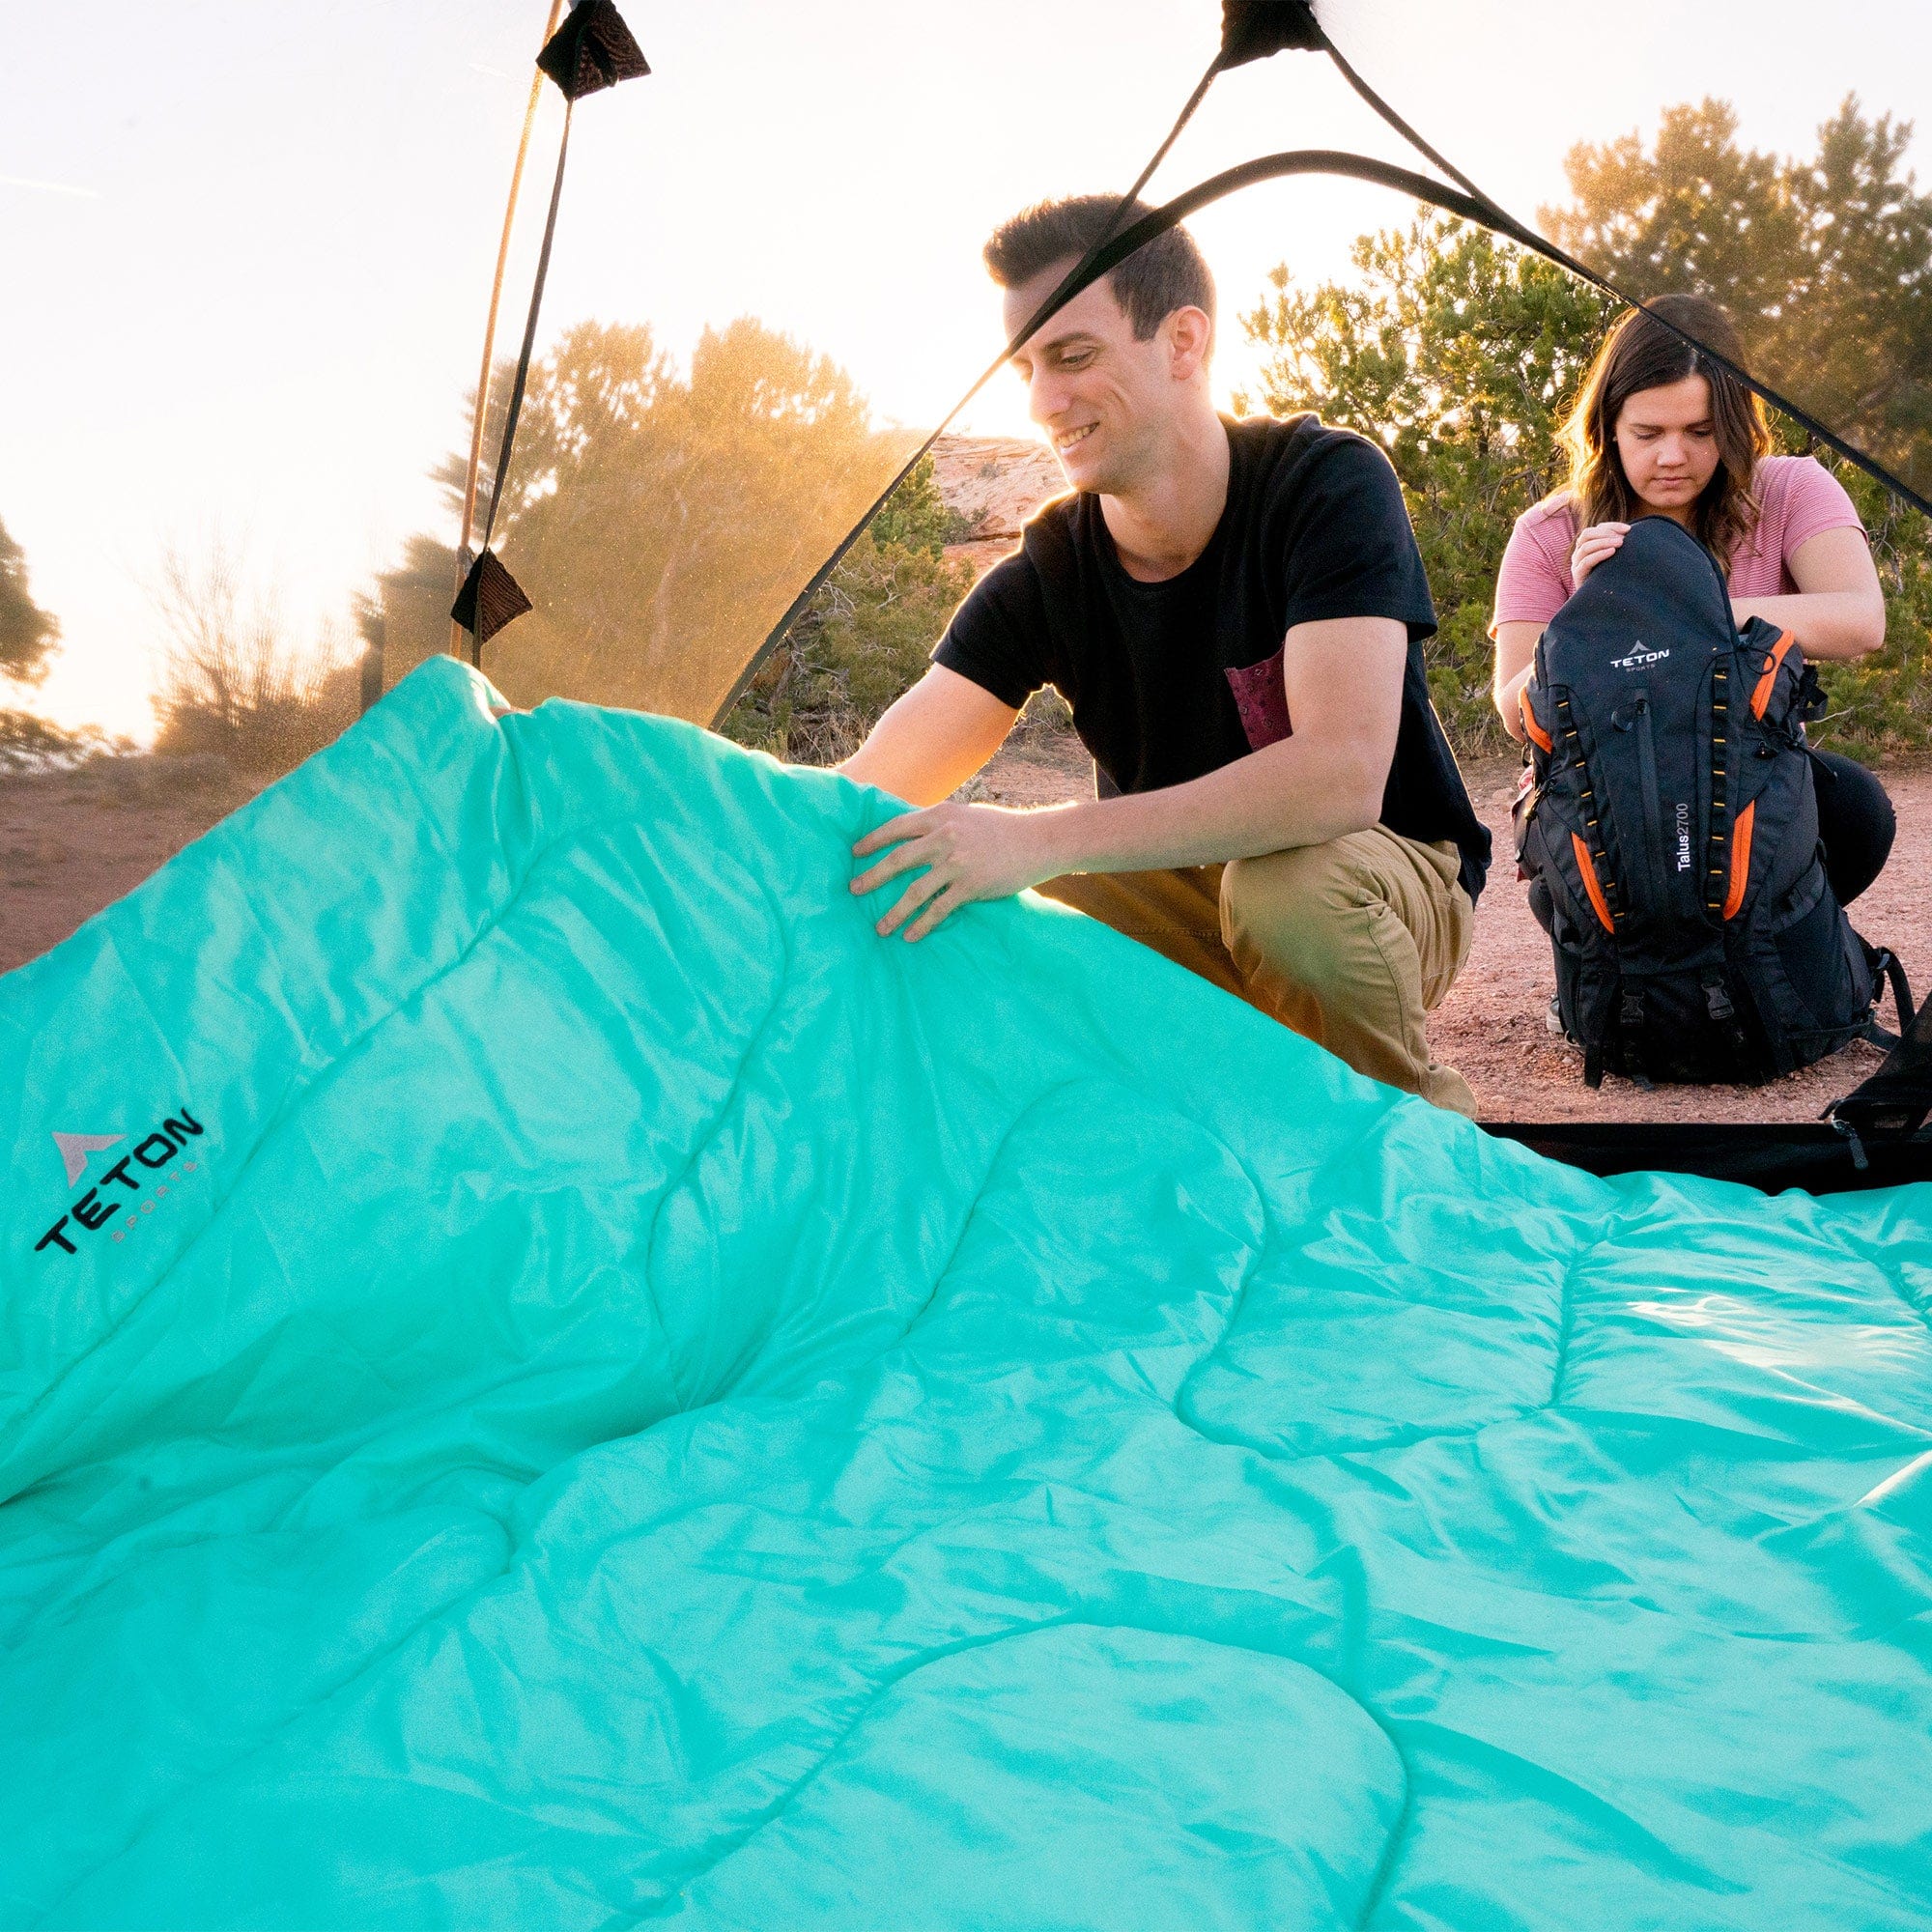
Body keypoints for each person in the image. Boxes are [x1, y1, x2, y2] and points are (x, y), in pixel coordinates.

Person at [838, 195, 1492, 1113]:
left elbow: (1340, 779)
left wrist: (1035, 838)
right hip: (1189, 894)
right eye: (1026, 368)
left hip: (1379, 879)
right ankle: (1143, 1137)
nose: (1043, 401)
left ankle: (1417, 1144)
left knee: (1283, 894)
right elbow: (874, 785)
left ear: (1183, 342)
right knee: (939, 883)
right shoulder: (1051, 571)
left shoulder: (1324, 485)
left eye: (1073, 356)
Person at [1492, 295, 1894, 909]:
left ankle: (1781, 945)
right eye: (1647, 433)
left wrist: (1685, 610)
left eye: (1700, 432)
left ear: (1735, 425)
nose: (1672, 456)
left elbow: (1862, 620)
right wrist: (1593, 612)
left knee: (1854, 809)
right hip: (1604, 791)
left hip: (1749, 773)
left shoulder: (1791, 488)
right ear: (1608, 428)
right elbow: (1513, 710)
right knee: (1568, 874)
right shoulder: (1547, 531)